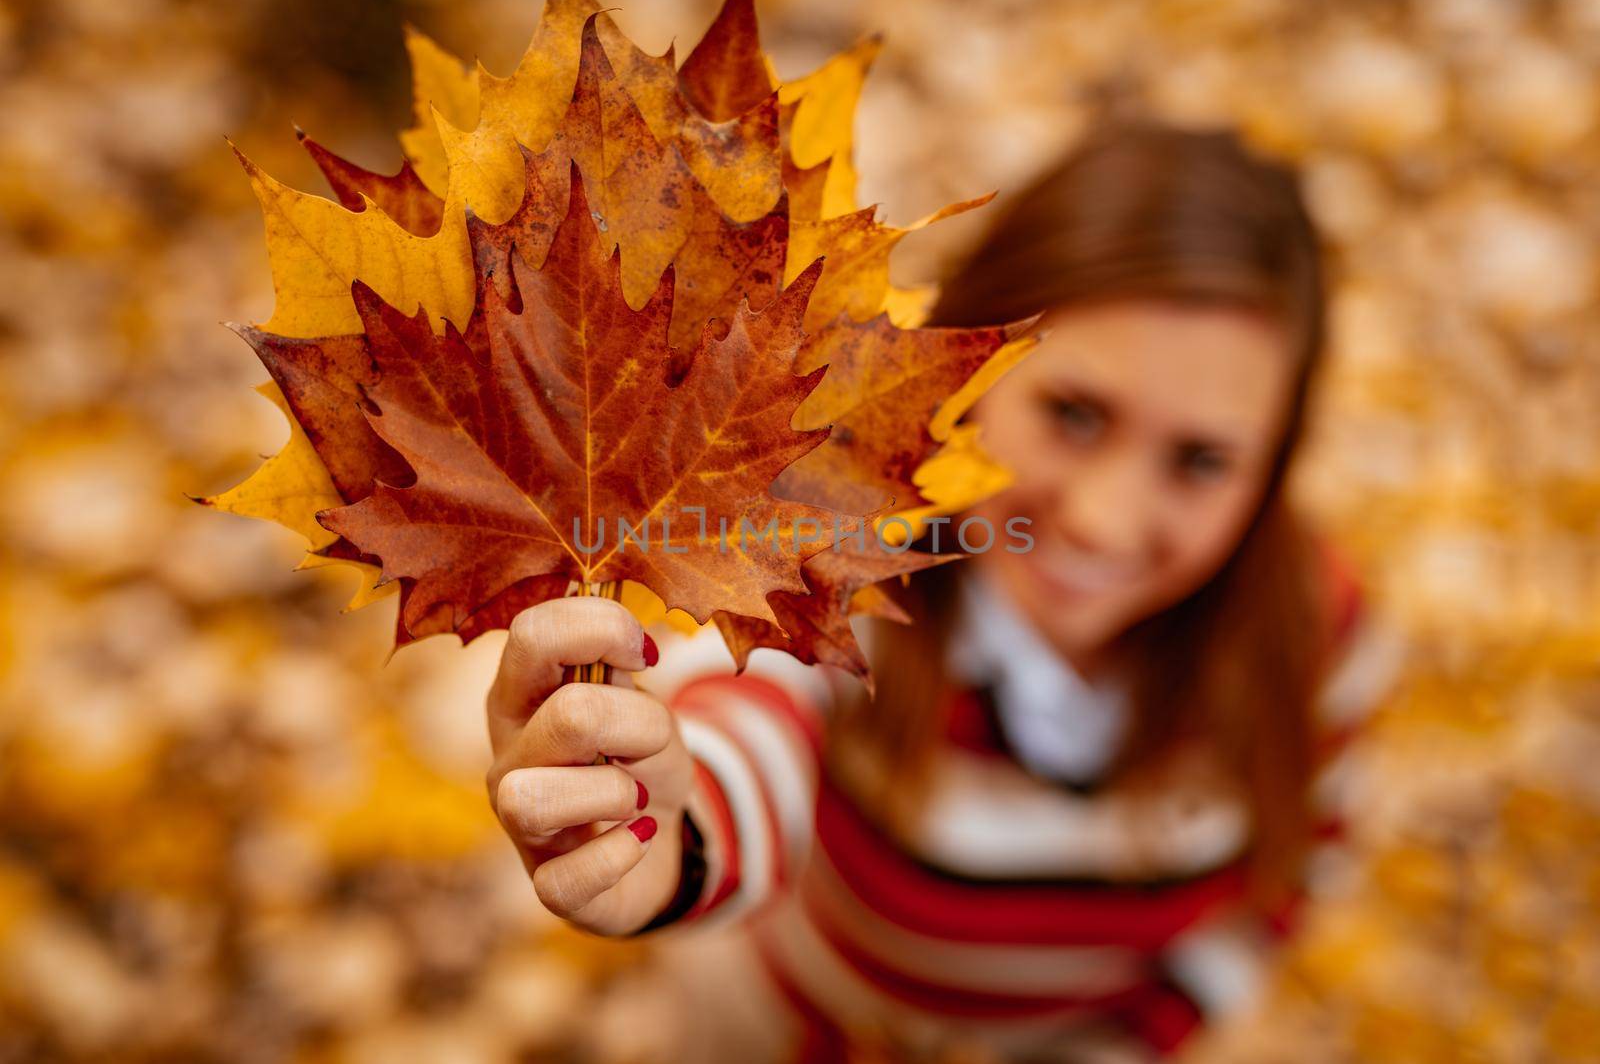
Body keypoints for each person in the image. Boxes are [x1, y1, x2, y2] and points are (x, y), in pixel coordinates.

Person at [482, 121, 1391, 1062]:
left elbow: (1286, 878)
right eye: (1073, 415)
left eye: (1202, 460)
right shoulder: (846, 561)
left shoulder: (1315, 630)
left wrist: (1130, 1046)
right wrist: (666, 834)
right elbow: (744, 725)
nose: (1103, 522)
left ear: (1274, 471)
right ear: (969, 364)